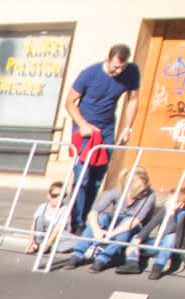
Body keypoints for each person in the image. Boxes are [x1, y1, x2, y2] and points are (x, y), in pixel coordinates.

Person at [64, 44, 141, 233]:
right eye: (115, 67)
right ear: (108, 60)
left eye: (122, 68)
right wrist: (82, 124)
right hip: (85, 129)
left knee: (97, 179)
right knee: (82, 177)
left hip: (106, 129)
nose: (118, 71)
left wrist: (127, 128)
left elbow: (133, 99)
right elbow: (70, 102)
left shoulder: (131, 72)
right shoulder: (89, 74)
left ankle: (86, 218)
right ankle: (76, 220)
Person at [65, 165, 155, 271]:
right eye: (141, 191)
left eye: (145, 189)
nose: (145, 192)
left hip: (133, 227)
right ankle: (77, 254)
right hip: (117, 221)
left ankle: (103, 258)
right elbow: (94, 211)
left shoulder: (149, 195)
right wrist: (96, 229)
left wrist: (111, 233)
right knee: (102, 217)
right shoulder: (118, 191)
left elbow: (134, 221)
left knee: (125, 227)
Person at [120, 185, 185, 279]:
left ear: (181, 204)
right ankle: (132, 263)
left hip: (173, 249)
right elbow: (151, 224)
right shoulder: (165, 209)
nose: (167, 202)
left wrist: (171, 215)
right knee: (136, 237)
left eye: (171, 201)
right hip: (159, 244)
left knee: (171, 237)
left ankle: (157, 267)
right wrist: (139, 239)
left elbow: (172, 232)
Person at [26, 180, 68, 255]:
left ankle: (48, 246)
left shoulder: (64, 209)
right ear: (49, 196)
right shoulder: (43, 206)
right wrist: (31, 241)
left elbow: (57, 229)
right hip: (42, 234)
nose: (58, 198)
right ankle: (36, 244)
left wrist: (47, 244)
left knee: (71, 240)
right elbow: (33, 225)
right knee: (39, 219)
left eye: (62, 196)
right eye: (55, 196)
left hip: (55, 235)